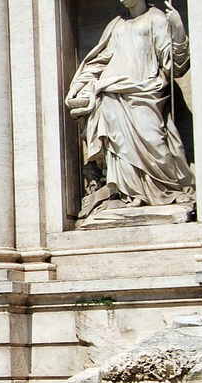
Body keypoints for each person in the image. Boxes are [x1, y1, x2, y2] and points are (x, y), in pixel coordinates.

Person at [65, 0, 193, 220]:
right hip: (111, 94)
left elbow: (174, 66)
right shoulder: (116, 24)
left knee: (154, 141)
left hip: (144, 91)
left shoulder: (157, 19)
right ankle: (129, 194)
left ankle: (170, 188)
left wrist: (178, 28)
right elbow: (99, 61)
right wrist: (77, 86)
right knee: (119, 146)